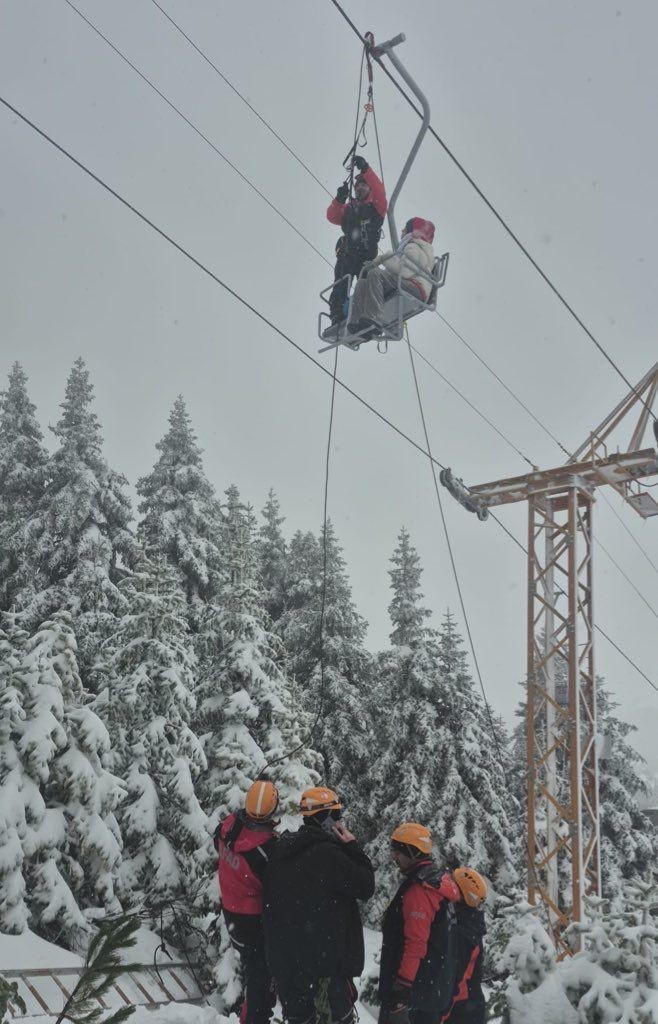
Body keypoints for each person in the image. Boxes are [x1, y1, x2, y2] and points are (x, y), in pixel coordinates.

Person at [263, 786, 375, 1024]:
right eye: (336, 815)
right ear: (324, 819)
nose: (340, 820)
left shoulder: (284, 849)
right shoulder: (329, 856)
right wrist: (352, 846)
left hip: (290, 969)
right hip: (324, 973)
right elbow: (366, 885)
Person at [378, 823, 461, 1024]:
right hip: (432, 989)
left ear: (412, 852)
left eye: (398, 852)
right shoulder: (437, 883)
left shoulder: (421, 891)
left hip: (415, 993)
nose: (394, 857)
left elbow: (416, 943)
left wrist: (402, 989)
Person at [214, 780, 280, 1024]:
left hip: (232, 913)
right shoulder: (266, 851)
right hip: (253, 921)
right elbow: (277, 889)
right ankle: (254, 1019)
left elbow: (218, 845)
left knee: (256, 974)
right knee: (260, 978)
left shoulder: (227, 828)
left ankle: (252, 1016)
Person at [347, 218, 436, 338]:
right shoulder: (409, 247)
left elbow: (405, 271)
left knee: (375, 274)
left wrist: (385, 258)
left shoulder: (414, 247)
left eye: (405, 228)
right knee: (363, 283)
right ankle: (356, 321)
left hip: (416, 287)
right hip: (407, 283)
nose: (402, 230)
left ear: (412, 231)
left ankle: (374, 317)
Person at [325, 155, 387, 328]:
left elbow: (380, 190)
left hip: (366, 254)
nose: (359, 187)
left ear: (369, 188)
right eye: (357, 185)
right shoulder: (348, 209)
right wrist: (339, 200)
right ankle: (337, 316)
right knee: (340, 284)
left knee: (364, 284)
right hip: (348, 254)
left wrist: (365, 168)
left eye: (363, 184)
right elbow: (332, 216)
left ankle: (366, 316)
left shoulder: (376, 206)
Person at [441, 868, 488, 1024]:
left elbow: (456, 977)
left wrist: (441, 1013)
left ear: (461, 894)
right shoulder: (466, 921)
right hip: (466, 1006)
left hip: (461, 1009)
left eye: (453, 882)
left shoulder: (464, 932)